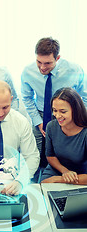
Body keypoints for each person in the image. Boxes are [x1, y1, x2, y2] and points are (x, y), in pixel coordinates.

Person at [21, 37, 87, 170]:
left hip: (68, 115)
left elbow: (84, 97)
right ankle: (38, 183)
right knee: (38, 153)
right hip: (40, 114)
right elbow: (27, 98)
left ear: (57, 58)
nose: (42, 67)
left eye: (47, 63)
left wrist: (75, 118)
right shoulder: (28, 72)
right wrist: (38, 121)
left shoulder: (74, 70)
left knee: (66, 153)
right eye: (39, 62)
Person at [41, 87, 87, 184]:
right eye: (55, 110)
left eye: (63, 111)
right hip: (56, 170)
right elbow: (50, 156)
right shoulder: (51, 126)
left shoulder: (85, 132)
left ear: (75, 110)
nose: (57, 115)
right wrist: (65, 171)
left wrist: (60, 179)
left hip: (82, 175)